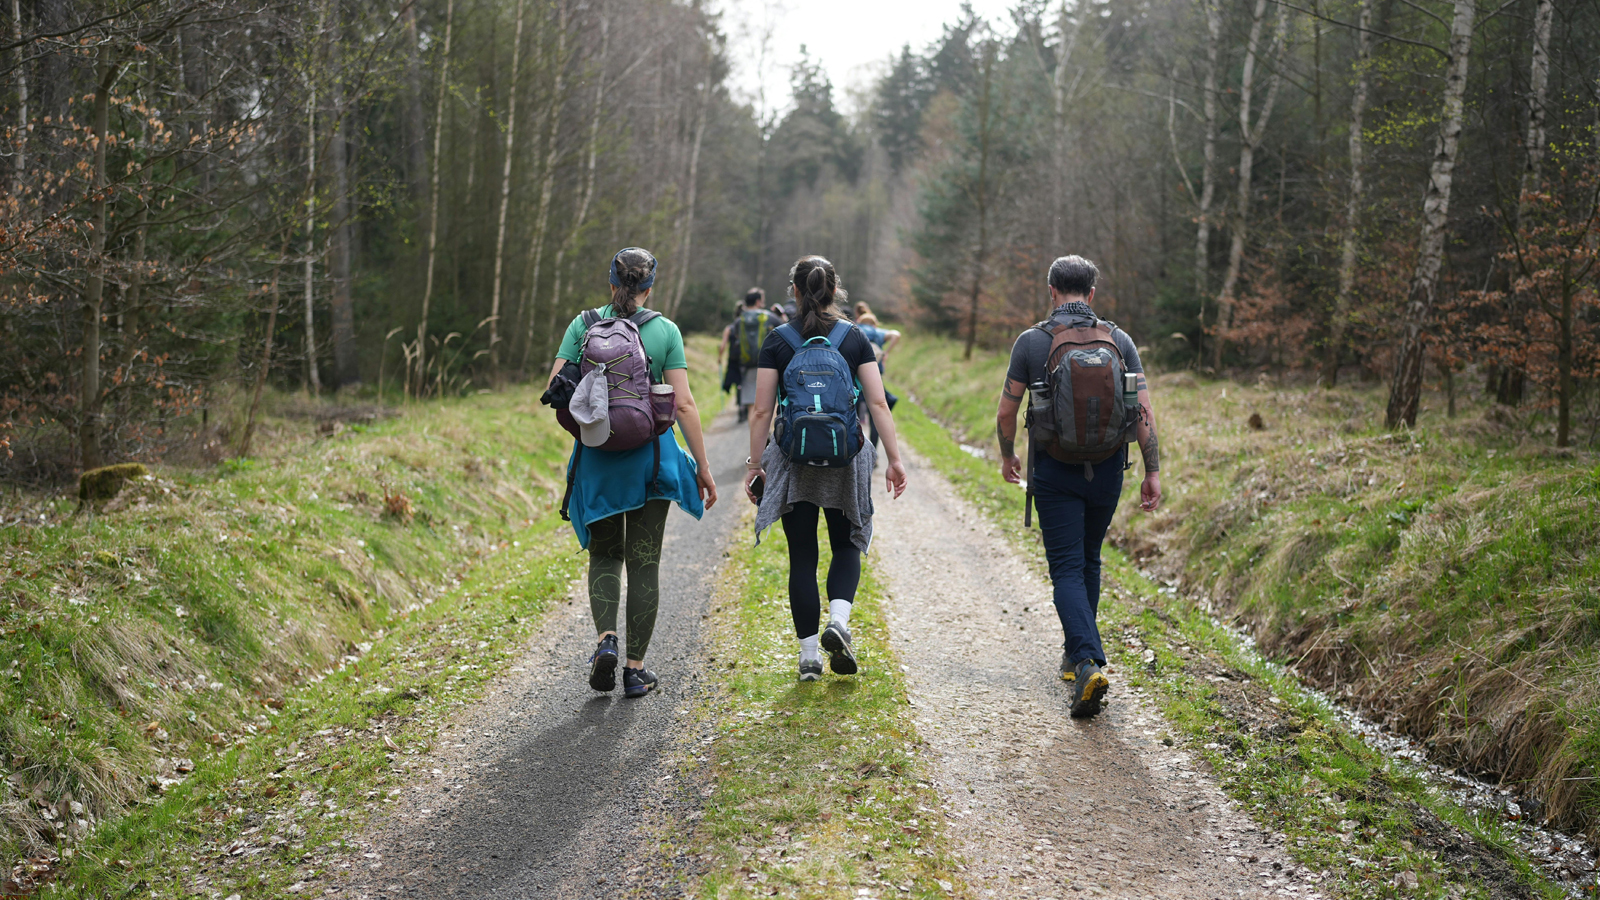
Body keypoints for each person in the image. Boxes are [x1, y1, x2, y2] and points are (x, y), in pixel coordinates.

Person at [547, 247, 718, 698]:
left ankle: (606, 641)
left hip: (597, 460)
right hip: (651, 463)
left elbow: (555, 390)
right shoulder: (665, 331)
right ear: (648, 287)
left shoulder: (582, 326)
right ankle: (635, 671)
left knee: (605, 556)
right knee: (645, 563)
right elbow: (682, 404)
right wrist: (702, 467)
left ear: (611, 284)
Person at [995, 255, 1161, 718]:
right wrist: (1153, 470)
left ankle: (1087, 661)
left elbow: (1007, 412)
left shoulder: (1032, 342)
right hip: (1108, 469)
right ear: (1091, 294)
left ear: (1051, 291)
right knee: (1089, 558)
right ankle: (1076, 654)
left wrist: (1008, 453)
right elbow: (1143, 412)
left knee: (1066, 567)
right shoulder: (1119, 340)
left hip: (1054, 470)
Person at [745, 256, 908, 682]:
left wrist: (754, 464)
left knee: (802, 556)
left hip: (792, 458)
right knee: (845, 544)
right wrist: (893, 459)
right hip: (845, 457)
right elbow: (876, 403)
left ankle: (809, 658)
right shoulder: (854, 338)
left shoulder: (777, 340)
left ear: (794, 292)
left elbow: (761, 410)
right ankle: (838, 621)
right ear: (836, 292)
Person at [720, 288, 774, 423]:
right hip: (767, 365)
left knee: (751, 405)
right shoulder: (768, 316)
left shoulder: (739, 321)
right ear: (758, 301)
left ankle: (754, 436)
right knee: (770, 402)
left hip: (746, 365)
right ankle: (768, 434)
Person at [852, 311, 901, 454]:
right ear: (874, 324)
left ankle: (854, 451)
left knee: (852, 417)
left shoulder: (855, 330)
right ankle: (873, 452)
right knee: (875, 415)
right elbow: (896, 334)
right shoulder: (877, 332)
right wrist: (886, 352)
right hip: (873, 380)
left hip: (854, 381)